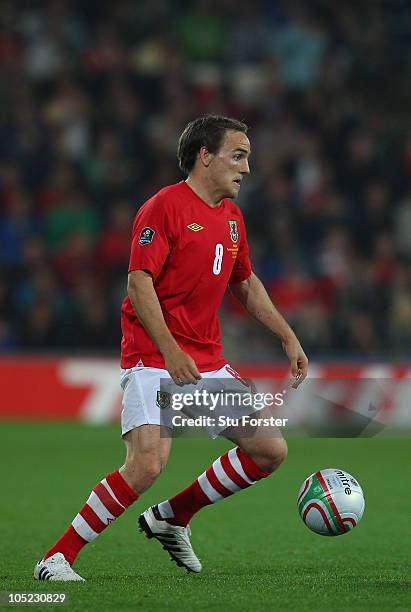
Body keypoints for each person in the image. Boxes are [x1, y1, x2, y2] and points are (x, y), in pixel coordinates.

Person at [34, 114, 308, 581]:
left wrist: (286, 334)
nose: (246, 168)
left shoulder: (233, 218)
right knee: (146, 463)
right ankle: (56, 559)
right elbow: (138, 282)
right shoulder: (164, 207)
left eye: (248, 158)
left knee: (269, 449)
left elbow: (244, 283)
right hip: (153, 356)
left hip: (207, 359)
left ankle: (173, 516)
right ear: (205, 156)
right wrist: (170, 350)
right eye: (237, 156)